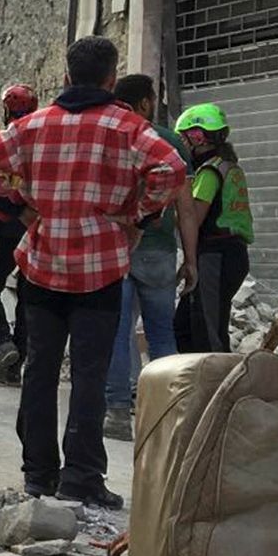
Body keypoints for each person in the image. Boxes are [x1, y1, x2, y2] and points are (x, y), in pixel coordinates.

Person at [0, 36, 185, 509]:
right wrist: (138, 216)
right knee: (90, 374)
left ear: (65, 77)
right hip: (101, 269)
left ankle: (38, 474)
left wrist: (16, 208)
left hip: (41, 266)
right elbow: (170, 169)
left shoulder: (32, 125)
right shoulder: (127, 126)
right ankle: (82, 475)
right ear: (110, 78)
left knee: (39, 371)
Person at [102, 74, 186, 441]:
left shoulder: (108, 138)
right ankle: (167, 415)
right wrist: (192, 258)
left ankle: (118, 412)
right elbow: (185, 205)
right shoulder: (168, 141)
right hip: (160, 250)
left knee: (118, 331)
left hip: (117, 246)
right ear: (146, 103)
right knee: (161, 332)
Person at [173, 103, 253, 355]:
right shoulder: (227, 166)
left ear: (197, 137)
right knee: (185, 324)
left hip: (215, 256)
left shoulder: (209, 172)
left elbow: (193, 217)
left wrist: (169, 207)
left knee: (207, 332)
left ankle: (216, 387)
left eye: (183, 138)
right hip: (228, 255)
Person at [0, 84, 39, 384]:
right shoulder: (43, 143)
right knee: (28, 294)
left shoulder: (0, 143)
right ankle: (17, 360)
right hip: (32, 226)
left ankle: (3, 343)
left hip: (4, 224)